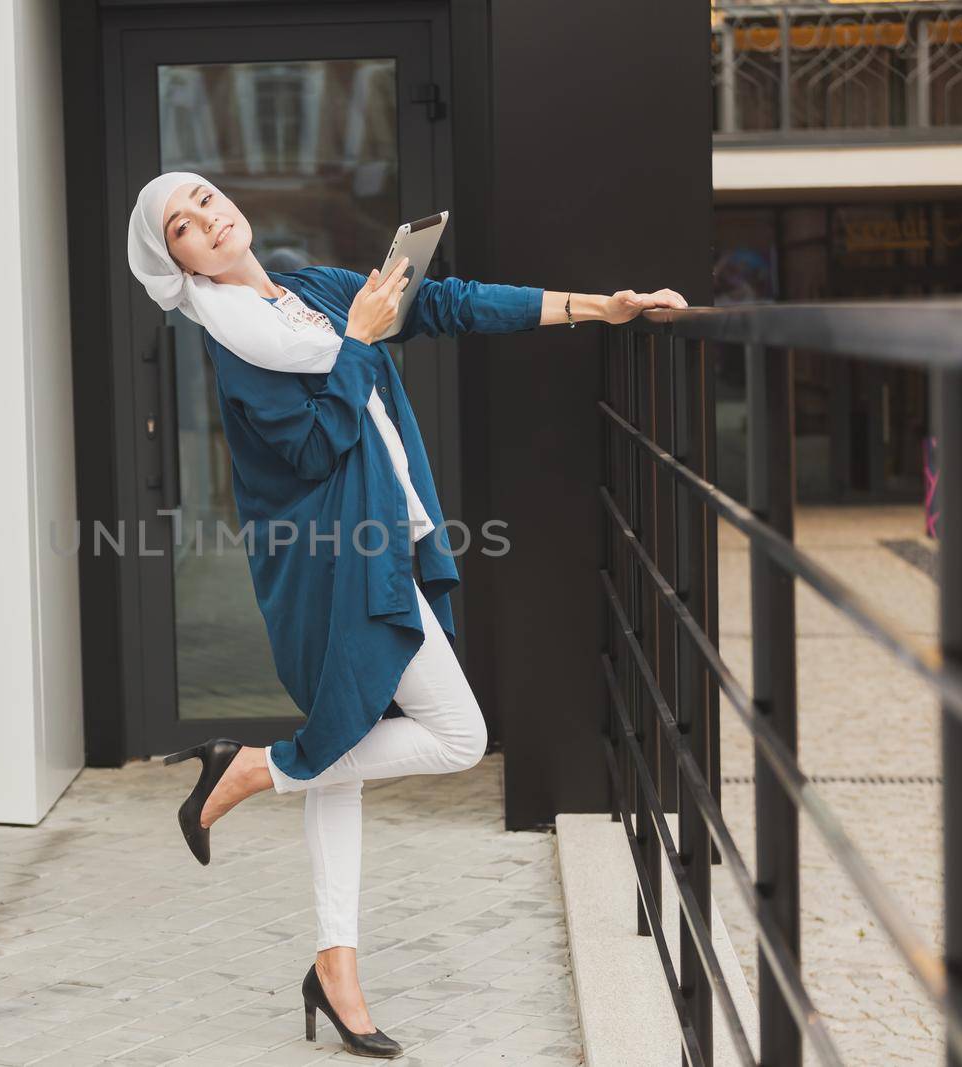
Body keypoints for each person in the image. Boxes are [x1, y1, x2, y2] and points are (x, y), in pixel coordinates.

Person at [127, 170, 686, 1057]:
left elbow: (451, 303)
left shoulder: (306, 287)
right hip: (332, 565)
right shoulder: (235, 347)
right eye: (183, 227)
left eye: (203, 198)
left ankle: (334, 962)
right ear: (178, 264)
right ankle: (256, 767)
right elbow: (315, 446)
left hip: (384, 537)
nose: (208, 217)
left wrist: (598, 308)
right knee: (456, 734)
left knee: (343, 747)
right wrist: (357, 342)